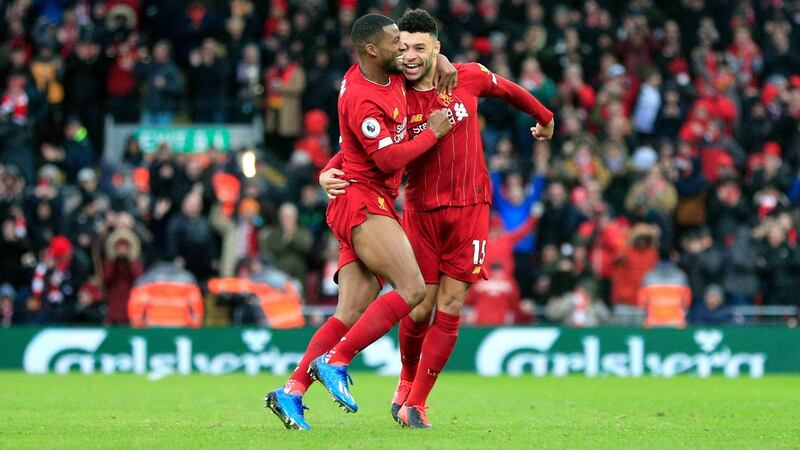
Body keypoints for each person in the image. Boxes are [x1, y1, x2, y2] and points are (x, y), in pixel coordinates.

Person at [322, 9, 554, 428]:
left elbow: (510, 90)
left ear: (436, 49)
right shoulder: (397, 91)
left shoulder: (465, 76)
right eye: (404, 47)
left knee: (451, 304)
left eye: (419, 48)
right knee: (417, 309)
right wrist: (329, 167)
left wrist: (545, 117)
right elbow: (365, 138)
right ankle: (405, 379)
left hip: (471, 207)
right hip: (421, 210)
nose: (409, 55)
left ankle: (418, 403)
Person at [264, 13, 454, 431]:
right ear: (372, 49)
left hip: (359, 194)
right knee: (414, 289)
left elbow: (351, 145)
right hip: (363, 201)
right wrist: (434, 132)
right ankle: (336, 361)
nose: (403, 50)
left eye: (407, 44)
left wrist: (443, 61)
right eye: (395, 44)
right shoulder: (364, 96)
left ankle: (292, 390)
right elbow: (387, 158)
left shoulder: (386, 77)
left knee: (349, 311)